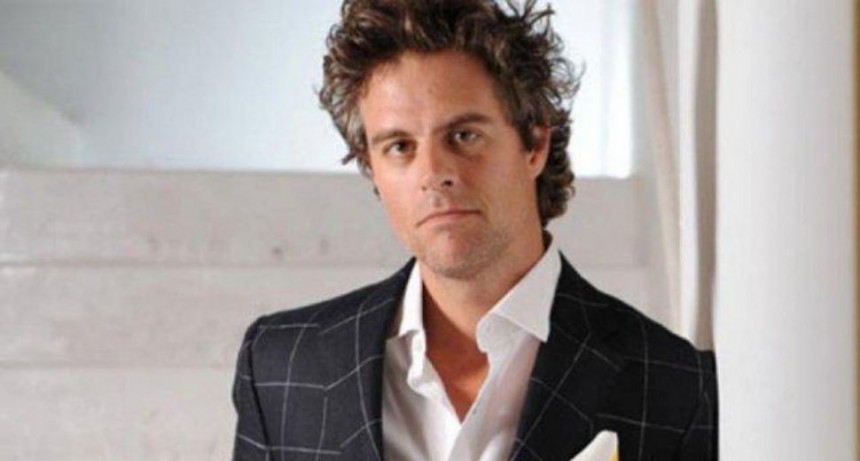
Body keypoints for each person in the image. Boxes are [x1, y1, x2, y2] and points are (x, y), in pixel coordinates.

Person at [231, 1, 718, 460]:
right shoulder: (281, 368)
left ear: (534, 144)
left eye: (464, 136)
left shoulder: (675, 387)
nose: (433, 173)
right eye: (399, 146)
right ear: (371, 168)